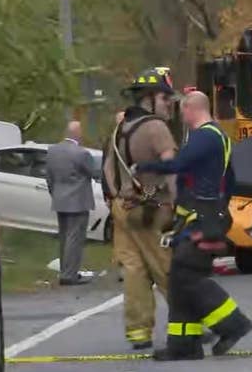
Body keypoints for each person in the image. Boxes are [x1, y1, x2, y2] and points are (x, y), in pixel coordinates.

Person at [135, 90, 252, 361]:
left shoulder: (205, 137)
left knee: (188, 275)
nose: (181, 115)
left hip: (203, 217)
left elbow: (179, 164)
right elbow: (230, 178)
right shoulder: (219, 138)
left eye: (183, 110)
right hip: (206, 214)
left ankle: (233, 324)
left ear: (191, 109)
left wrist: (142, 167)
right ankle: (183, 344)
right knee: (178, 278)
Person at [102, 67, 177, 350]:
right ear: (148, 98)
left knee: (134, 270)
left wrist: (118, 199)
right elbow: (171, 168)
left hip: (123, 208)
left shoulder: (120, 128)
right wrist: (179, 201)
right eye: (165, 97)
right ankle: (193, 321)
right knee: (165, 267)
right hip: (150, 210)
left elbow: (109, 167)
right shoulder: (156, 128)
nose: (170, 103)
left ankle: (138, 332)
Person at [46, 121, 96, 286]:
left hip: (60, 199)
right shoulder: (81, 153)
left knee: (64, 237)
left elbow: (49, 177)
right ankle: (69, 274)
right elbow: (93, 172)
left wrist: (55, 193)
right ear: (77, 134)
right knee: (74, 238)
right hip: (78, 200)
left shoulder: (52, 151)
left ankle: (64, 270)